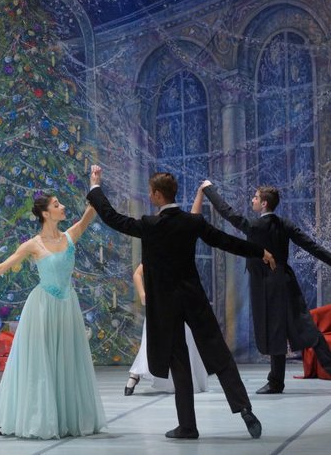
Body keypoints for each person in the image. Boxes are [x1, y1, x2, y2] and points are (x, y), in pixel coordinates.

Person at [86, 165, 275, 440]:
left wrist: (95, 186)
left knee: (179, 363)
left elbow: (112, 218)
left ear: (157, 195)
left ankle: (187, 426)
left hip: (165, 306)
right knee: (218, 352)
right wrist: (260, 251)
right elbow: (225, 241)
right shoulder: (192, 222)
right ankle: (244, 408)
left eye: (150, 192)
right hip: (193, 297)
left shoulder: (150, 225)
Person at [0, 194, 106, 439]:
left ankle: (64, 417)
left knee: (66, 361)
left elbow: (91, 211)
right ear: (45, 213)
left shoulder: (70, 236)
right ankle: (22, 416)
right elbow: (2, 266)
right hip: (42, 308)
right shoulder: (34, 244)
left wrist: (94, 185)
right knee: (38, 364)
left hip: (67, 307)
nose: (62, 207)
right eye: (56, 205)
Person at [201, 180, 331, 393]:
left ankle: (276, 382)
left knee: (279, 330)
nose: (252, 200)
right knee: (301, 327)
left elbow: (228, 213)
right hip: (285, 281)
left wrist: (208, 189)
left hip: (268, 285)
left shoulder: (255, 226)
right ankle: (277, 381)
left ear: (264, 204)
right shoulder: (284, 224)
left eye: (255, 197)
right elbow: (311, 246)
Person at [126, 185, 209, 396]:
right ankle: (136, 373)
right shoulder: (157, 248)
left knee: (183, 340)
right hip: (162, 301)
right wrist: (144, 295)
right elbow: (138, 273)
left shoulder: (179, 234)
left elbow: (193, 218)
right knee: (153, 339)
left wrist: (200, 194)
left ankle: (180, 380)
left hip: (180, 299)